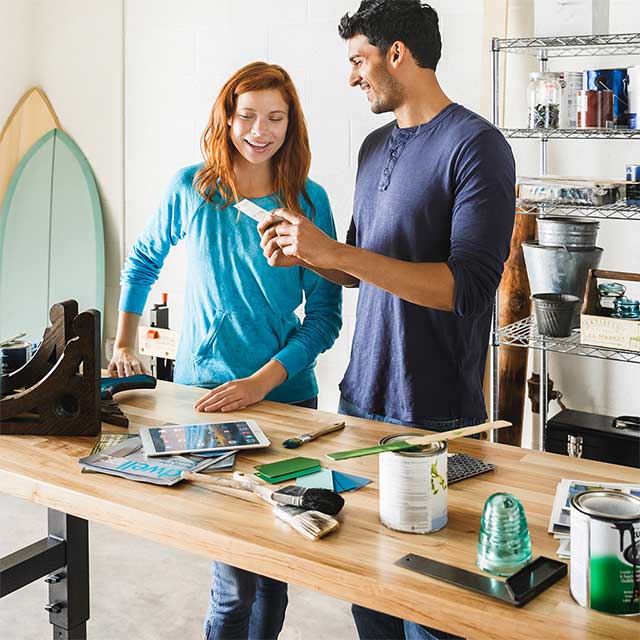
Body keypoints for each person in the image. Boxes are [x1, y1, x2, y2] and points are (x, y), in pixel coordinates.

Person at [258, 2, 515, 639]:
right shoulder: (375, 146)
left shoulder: (478, 146)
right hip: (362, 401)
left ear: (396, 53)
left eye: (358, 60)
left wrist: (337, 253)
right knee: (370, 596)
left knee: (432, 613)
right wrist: (311, 253)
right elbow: (359, 267)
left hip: (437, 413)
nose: (351, 78)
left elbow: (469, 288)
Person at [108, 61, 342, 640]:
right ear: (226, 118)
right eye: (247, 116)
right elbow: (142, 261)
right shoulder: (193, 187)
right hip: (203, 397)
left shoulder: (310, 203)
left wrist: (263, 382)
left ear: (293, 124)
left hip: (289, 402)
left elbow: (324, 319)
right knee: (234, 568)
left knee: (278, 558)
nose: (260, 130)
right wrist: (123, 340)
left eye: (275, 118)